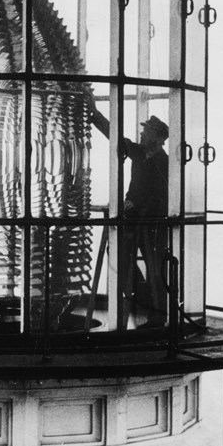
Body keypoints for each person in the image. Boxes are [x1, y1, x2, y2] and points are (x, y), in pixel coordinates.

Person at [90, 99, 169, 328]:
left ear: (157, 138)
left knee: (156, 269)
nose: (142, 135)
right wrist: (95, 115)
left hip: (153, 223)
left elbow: (163, 196)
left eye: (146, 132)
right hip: (136, 220)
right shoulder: (140, 153)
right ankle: (143, 301)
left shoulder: (163, 162)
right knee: (120, 259)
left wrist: (137, 204)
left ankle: (157, 315)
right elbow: (117, 139)